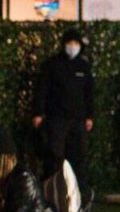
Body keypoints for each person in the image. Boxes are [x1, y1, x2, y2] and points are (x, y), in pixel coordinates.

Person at [33, 29, 94, 201]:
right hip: (56, 118)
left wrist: (89, 116)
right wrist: (38, 112)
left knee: (79, 156)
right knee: (54, 156)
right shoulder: (52, 65)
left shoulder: (84, 66)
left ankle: (78, 191)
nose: (73, 46)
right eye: (70, 43)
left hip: (78, 120)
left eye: (76, 43)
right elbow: (42, 89)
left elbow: (89, 93)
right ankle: (51, 191)